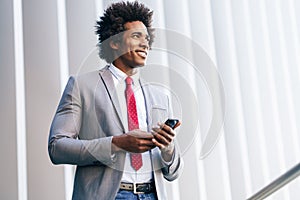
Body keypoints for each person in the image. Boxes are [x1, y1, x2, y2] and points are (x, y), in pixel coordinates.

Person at [48, 1, 183, 200]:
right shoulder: (81, 86)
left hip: (152, 195)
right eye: (136, 36)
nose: (145, 43)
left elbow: (173, 172)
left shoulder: (160, 97)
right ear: (114, 42)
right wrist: (116, 144)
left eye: (146, 38)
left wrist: (167, 148)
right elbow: (57, 147)